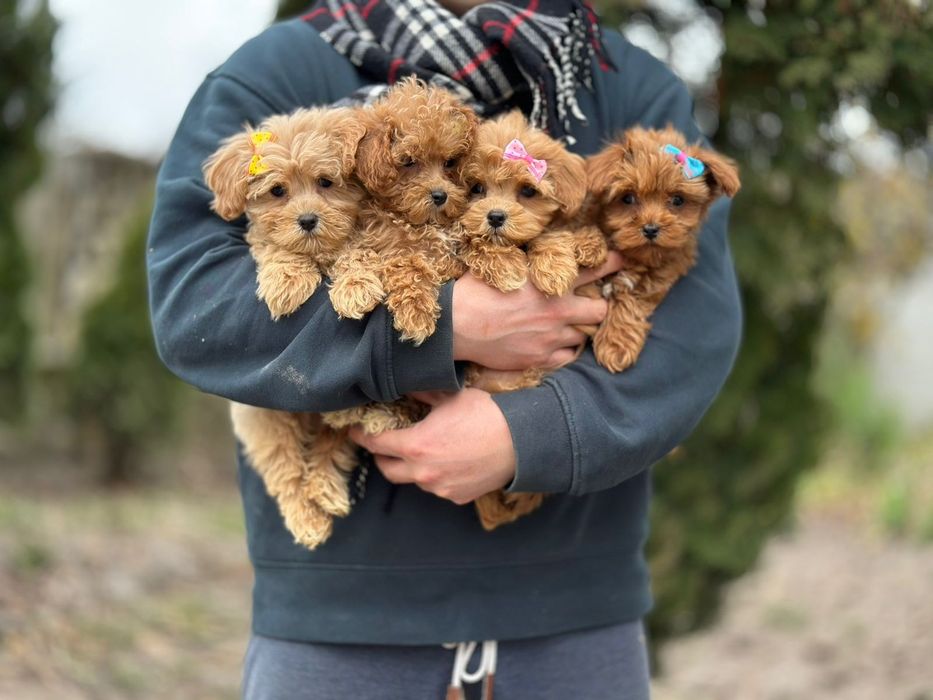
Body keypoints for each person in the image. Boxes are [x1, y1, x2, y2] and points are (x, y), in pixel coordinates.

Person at [147, 0, 742, 697]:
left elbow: (694, 331)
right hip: (343, 621)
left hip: (573, 614)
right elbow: (194, 303)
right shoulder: (277, 72)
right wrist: (443, 325)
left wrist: (529, 432)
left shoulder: (627, 86)